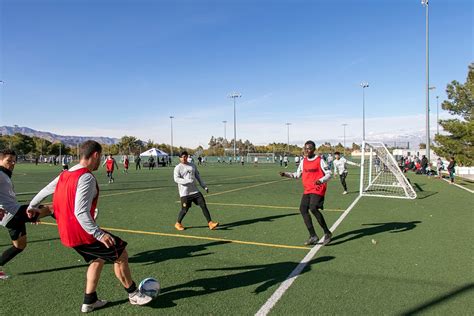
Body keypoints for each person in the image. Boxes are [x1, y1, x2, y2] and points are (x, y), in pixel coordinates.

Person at [28, 140, 153, 312]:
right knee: (121, 254)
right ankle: (133, 294)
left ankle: (90, 300)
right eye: (99, 156)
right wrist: (99, 234)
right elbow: (80, 212)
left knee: (98, 258)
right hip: (82, 233)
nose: (99, 161)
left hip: (67, 234)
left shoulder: (66, 173)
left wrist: (31, 206)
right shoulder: (85, 177)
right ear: (95, 155)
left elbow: (46, 190)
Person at [0, 149, 52, 280]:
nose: (12, 163)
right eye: (8, 161)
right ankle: (77, 220)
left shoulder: (5, 174)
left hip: (10, 217)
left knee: (20, 245)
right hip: (13, 212)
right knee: (53, 208)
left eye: (13, 161)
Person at [279, 141, 332, 246]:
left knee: (313, 208)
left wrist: (321, 180)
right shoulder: (303, 161)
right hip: (308, 189)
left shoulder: (319, 160)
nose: (307, 150)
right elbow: (297, 175)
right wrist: (286, 174)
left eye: (309, 148)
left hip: (318, 187)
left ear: (314, 149)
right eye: (305, 148)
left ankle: (327, 232)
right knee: (303, 209)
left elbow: (329, 174)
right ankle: (313, 236)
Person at [173, 151, 219, 231]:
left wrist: (204, 186)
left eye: (185, 156)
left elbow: (198, 177)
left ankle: (210, 223)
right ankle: (178, 223)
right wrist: (187, 181)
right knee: (184, 210)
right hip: (185, 193)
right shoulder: (178, 167)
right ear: (179, 158)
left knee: (203, 205)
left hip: (195, 191)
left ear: (187, 157)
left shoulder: (192, 166)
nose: (184, 158)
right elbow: (176, 179)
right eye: (182, 157)